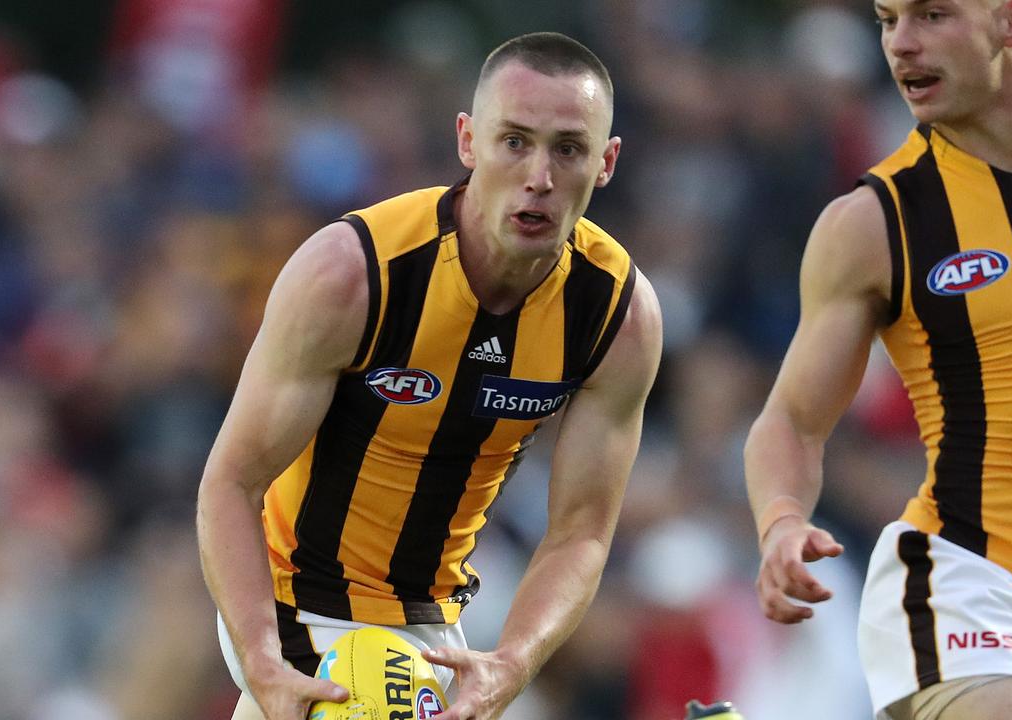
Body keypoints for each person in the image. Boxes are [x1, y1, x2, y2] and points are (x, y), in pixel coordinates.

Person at [197, 31, 663, 720]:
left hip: (436, 632)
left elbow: (581, 534)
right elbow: (231, 483)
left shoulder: (617, 316)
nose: (539, 175)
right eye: (514, 141)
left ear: (606, 162)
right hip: (296, 604)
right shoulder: (353, 274)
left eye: (567, 148)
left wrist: (513, 661)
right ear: (468, 142)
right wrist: (264, 664)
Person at [744, 1, 1012, 719]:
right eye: (888, 20)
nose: (902, 45)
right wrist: (782, 522)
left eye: (931, 15)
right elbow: (791, 421)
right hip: (966, 578)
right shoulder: (874, 221)